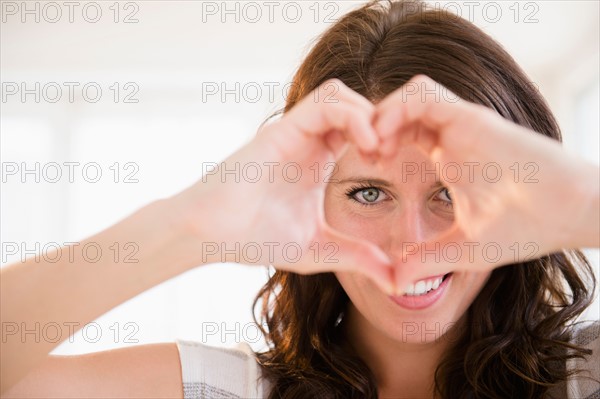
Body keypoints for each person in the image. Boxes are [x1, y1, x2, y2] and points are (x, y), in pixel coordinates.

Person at [2, 0, 599, 398]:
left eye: (448, 191)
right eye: (368, 192)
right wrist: (189, 228)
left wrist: (582, 204)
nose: (411, 243)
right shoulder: (224, 388)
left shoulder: (585, 375)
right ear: (313, 199)